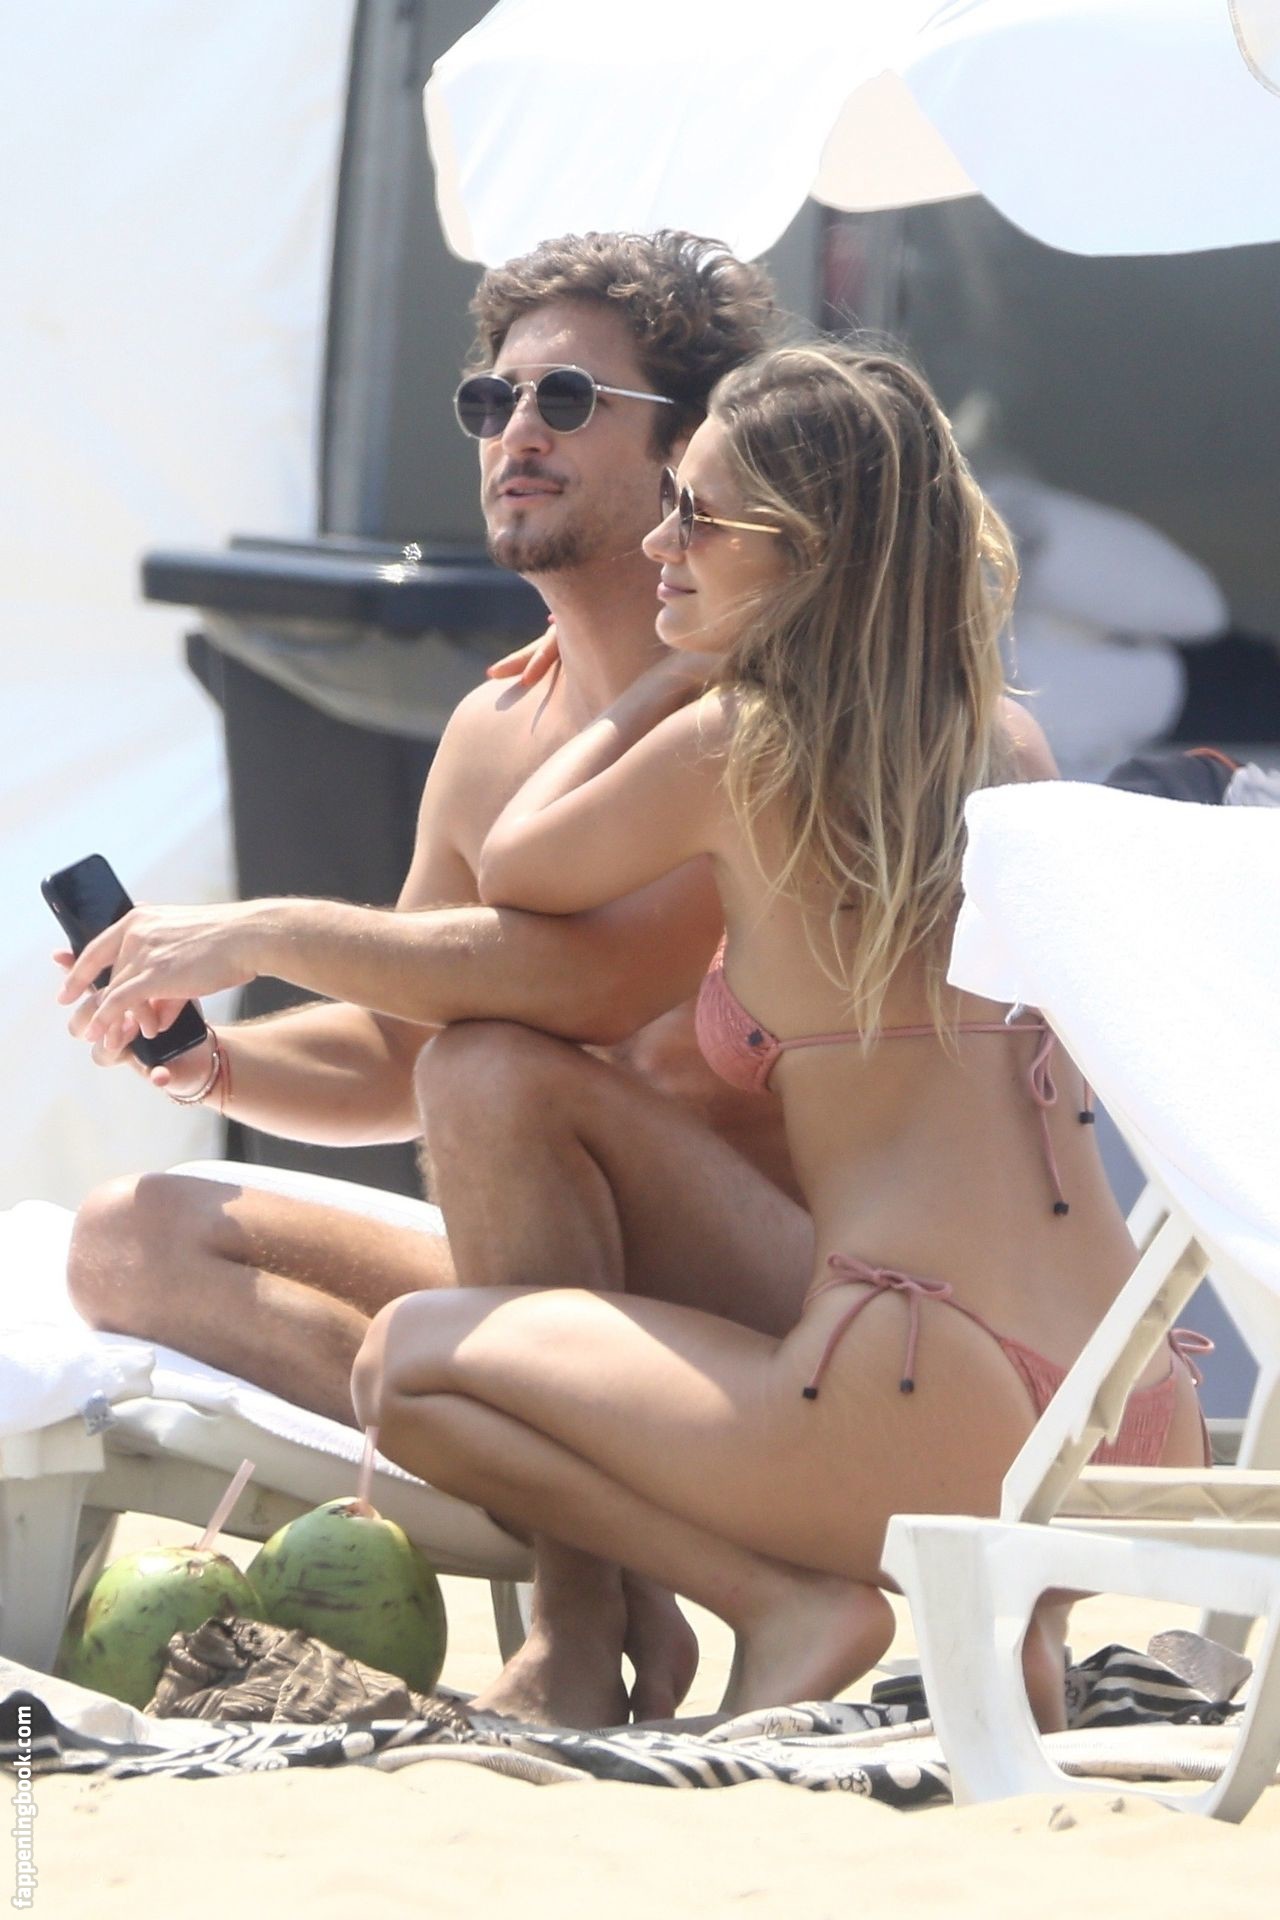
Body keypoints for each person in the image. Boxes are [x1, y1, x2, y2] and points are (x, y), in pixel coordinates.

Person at [339, 341, 1209, 1729]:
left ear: (805, 552)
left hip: (931, 1388)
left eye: (698, 518)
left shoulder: (737, 742)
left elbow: (514, 860)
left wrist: (653, 687)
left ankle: (775, 1600)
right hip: (1139, 1397)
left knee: (405, 1364)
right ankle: (1021, 1648)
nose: (660, 544)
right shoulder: (1004, 743)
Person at [60, 228, 808, 1723]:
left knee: (499, 1068)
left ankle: (584, 1607)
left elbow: (577, 992)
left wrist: (257, 929)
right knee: (125, 1241)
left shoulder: (758, 708)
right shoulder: (494, 731)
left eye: (568, 400)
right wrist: (211, 1057)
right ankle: (622, 1550)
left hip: (775, 1305)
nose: (516, 432)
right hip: (568, 1303)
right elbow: (402, 1049)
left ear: (686, 448)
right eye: (490, 400)